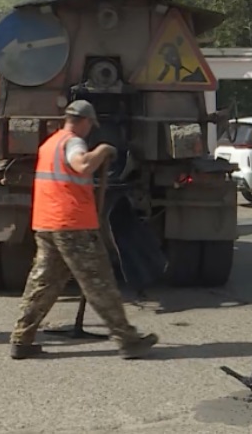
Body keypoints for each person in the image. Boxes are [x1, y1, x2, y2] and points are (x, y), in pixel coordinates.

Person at [9, 100, 158, 360]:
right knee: (99, 283)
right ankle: (128, 340)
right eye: (91, 124)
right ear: (84, 121)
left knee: (42, 283)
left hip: (46, 222)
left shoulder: (49, 144)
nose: (91, 129)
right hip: (73, 225)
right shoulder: (74, 142)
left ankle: (21, 339)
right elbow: (82, 165)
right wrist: (102, 150)